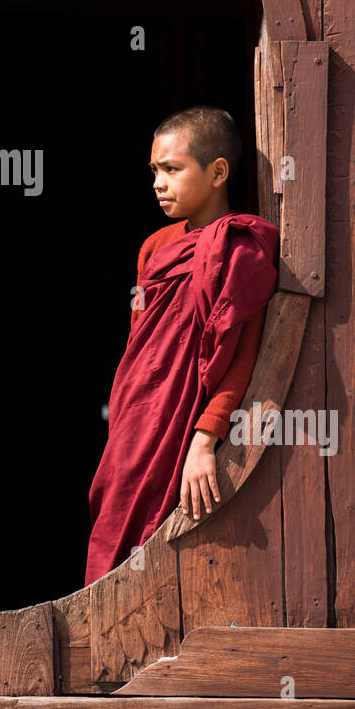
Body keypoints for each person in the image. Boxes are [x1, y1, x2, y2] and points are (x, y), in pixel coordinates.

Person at [85, 106, 278, 586]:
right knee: (113, 521)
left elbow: (242, 356)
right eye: (154, 170)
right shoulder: (155, 248)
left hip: (187, 424)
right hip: (135, 417)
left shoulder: (242, 248)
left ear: (217, 172)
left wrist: (205, 439)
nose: (158, 182)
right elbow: (141, 348)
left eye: (172, 169)